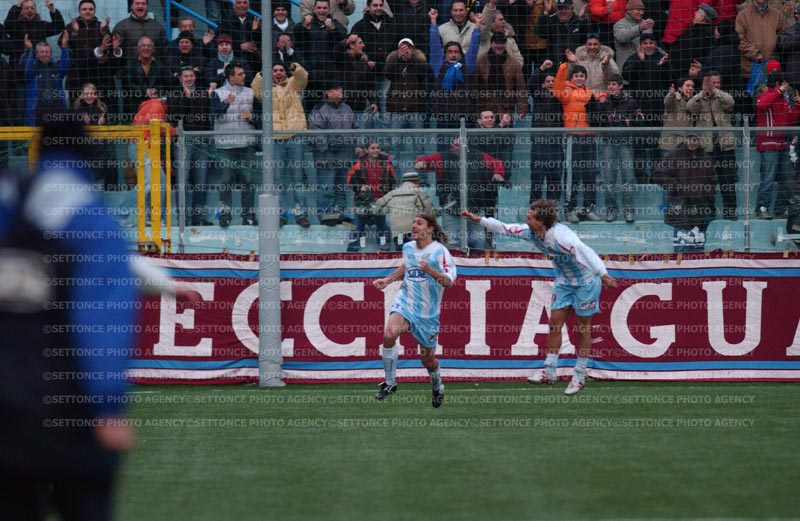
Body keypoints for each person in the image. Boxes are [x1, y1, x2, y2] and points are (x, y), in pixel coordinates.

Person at [0, 120, 139, 521]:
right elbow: (102, 320)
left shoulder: (7, 198)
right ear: (88, 157)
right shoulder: (90, 217)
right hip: (68, 408)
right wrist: (108, 406)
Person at [460, 199, 617, 395]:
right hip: (564, 282)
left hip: (586, 282)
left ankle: (579, 375)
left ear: (540, 222)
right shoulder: (530, 232)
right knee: (554, 324)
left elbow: (586, 251)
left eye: (530, 218)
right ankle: (549, 371)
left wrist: (603, 274)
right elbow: (504, 228)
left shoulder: (562, 238)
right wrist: (478, 219)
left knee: (582, 329)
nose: (526, 221)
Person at [372, 214, 457, 407]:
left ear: (430, 229)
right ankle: (390, 383)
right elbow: (407, 266)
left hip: (428, 314)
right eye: (413, 223)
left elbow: (448, 282)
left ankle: (437, 384)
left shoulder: (440, 252)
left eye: (419, 223)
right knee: (389, 335)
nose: (414, 226)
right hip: (406, 302)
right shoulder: (408, 247)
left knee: (428, 361)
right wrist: (388, 280)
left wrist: (431, 271)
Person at [415, 137, 505, 250]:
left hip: (475, 209)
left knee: (479, 242)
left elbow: (496, 163)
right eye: (456, 145)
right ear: (451, 146)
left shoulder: (479, 155)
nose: (458, 148)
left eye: (461, 145)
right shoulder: (442, 157)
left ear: (467, 147)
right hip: (450, 210)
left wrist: (498, 173)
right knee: (452, 243)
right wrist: (421, 162)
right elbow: (426, 161)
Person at [252, 61, 311, 227]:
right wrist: (261, 74)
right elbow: (255, 90)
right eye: (274, 70)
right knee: (278, 179)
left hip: (294, 135)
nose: (278, 73)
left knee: (298, 178)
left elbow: (303, 77)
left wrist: (295, 67)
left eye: (281, 70)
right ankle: (281, 214)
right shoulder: (265, 89)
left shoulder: (294, 84)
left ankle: (301, 214)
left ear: (286, 72)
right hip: (275, 137)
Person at [553, 60, 603, 222]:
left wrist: (602, 96)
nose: (579, 78)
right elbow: (557, 91)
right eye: (576, 76)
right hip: (573, 136)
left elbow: (600, 99)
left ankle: (588, 208)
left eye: (582, 76)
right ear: (572, 78)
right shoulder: (567, 91)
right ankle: (570, 209)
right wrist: (563, 68)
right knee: (572, 174)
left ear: (586, 78)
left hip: (590, 137)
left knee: (590, 173)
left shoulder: (590, 93)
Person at [685, 70, 738, 220]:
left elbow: (731, 103)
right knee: (706, 181)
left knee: (727, 180)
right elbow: (689, 108)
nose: (715, 85)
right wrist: (703, 93)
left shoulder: (722, 97)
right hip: (706, 148)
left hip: (725, 146)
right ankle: (709, 211)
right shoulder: (698, 99)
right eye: (712, 83)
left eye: (717, 83)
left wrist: (715, 91)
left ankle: (730, 211)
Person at [211, 62, 259, 226]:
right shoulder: (218, 93)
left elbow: (261, 116)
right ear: (231, 77)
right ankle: (225, 214)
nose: (244, 76)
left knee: (248, 180)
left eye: (244, 73)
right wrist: (226, 103)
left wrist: (252, 117)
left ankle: (248, 215)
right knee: (225, 181)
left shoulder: (251, 92)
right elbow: (214, 114)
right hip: (225, 145)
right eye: (240, 74)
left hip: (246, 143)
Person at [653, 132, 717, 251]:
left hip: (701, 210)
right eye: (689, 139)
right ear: (685, 140)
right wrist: (677, 187)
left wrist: (706, 196)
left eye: (695, 139)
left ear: (700, 140)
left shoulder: (707, 159)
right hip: (681, 210)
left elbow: (713, 182)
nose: (692, 142)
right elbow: (659, 175)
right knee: (681, 250)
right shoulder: (674, 156)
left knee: (698, 250)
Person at [309, 83, 360, 226]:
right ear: (328, 93)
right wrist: (325, 148)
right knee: (326, 187)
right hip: (327, 157)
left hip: (345, 155)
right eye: (337, 89)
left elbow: (355, 127)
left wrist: (357, 145)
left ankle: (340, 214)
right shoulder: (320, 109)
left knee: (341, 187)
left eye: (341, 89)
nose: (340, 91)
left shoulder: (347, 108)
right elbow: (316, 131)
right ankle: (325, 215)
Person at [168, 66, 213, 226]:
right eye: (185, 76)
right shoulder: (174, 94)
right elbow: (175, 116)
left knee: (201, 180)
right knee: (183, 180)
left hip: (202, 141)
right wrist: (186, 99)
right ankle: (184, 218)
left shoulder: (202, 93)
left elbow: (204, 112)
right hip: (183, 142)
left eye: (191, 76)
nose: (189, 79)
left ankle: (198, 218)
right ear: (181, 78)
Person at [595, 73, 642, 223]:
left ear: (621, 86)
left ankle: (628, 210)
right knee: (608, 179)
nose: (611, 87)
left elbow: (640, 120)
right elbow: (596, 120)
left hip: (625, 142)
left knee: (628, 178)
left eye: (614, 84)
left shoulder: (631, 102)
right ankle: (611, 209)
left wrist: (630, 121)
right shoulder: (603, 102)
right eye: (609, 84)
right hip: (608, 142)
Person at [754, 71, 800, 219]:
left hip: (782, 144)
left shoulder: (783, 100)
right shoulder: (764, 95)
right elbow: (762, 105)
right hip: (769, 144)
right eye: (785, 84)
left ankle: (780, 209)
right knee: (768, 179)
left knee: (787, 179)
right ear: (778, 84)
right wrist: (778, 92)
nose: (787, 87)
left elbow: (790, 121)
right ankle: (762, 208)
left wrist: (797, 106)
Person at [346, 140, 397, 251]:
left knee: (382, 226)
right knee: (357, 227)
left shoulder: (386, 164)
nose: (376, 150)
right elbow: (350, 181)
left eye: (378, 148)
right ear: (366, 150)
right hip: (362, 201)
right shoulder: (358, 165)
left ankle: (383, 249)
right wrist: (359, 187)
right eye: (373, 148)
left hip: (380, 201)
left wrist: (387, 194)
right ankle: (352, 251)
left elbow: (392, 181)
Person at [528, 60, 564, 204]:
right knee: (537, 176)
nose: (550, 83)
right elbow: (531, 85)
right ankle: (534, 207)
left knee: (555, 176)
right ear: (542, 85)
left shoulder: (561, 97)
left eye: (553, 81)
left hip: (556, 142)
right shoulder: (538, 95)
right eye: (547, 81)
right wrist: (541, 68)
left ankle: (552, 207)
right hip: (539, 142)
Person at [372, 170, 435, 248]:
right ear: (417, 182)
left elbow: (376, 209)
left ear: (403, 181)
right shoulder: (419, 193)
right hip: (414, 231)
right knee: (416, 252)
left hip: (397, 232)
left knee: (400, 253)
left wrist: (390, 210)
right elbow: (431, 212)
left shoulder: (392, 194)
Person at [22, 30, 70, 126]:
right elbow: (28, 71)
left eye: (47, 52)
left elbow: (65, 67)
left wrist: (64, 47)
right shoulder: (33, 69)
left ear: (51, 54)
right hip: (37, 111)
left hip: (57, 110)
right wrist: (30, 50)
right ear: (37, 54)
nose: (45, 54)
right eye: (42, 52)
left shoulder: (56, 68)